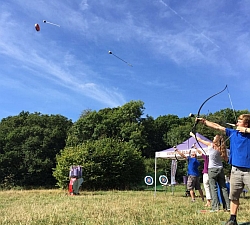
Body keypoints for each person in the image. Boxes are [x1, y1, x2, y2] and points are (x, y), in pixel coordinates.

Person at [196, 114, 250, 225]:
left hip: (249, 171)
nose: (237, 124)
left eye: (239, 122)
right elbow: (217, 126)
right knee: (234, 196)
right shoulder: (233, 132)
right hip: (235, 170)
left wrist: (246, 130)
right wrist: (204, 121)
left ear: (246, 124)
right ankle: (232, 219)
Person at [190, 132, 230, 212]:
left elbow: (200, 140)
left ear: (216, 140)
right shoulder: (222, 149)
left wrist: (192, 135)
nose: (213, 137)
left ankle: (215, 207)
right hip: (220, 169)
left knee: (213, 188)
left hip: (212, 169)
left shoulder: (211, 145)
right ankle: (228, 207)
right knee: (223, 188)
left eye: (215, 137)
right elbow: (226, 159)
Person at [190, 140, 211, 207]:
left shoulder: (206, 157)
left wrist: (195, 148)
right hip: (212, 173)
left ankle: (208, 202)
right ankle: (207, 200)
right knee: (210, 188)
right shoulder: (214, 157)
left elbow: (201, 153)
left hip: (205, 174)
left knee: (206, 188)